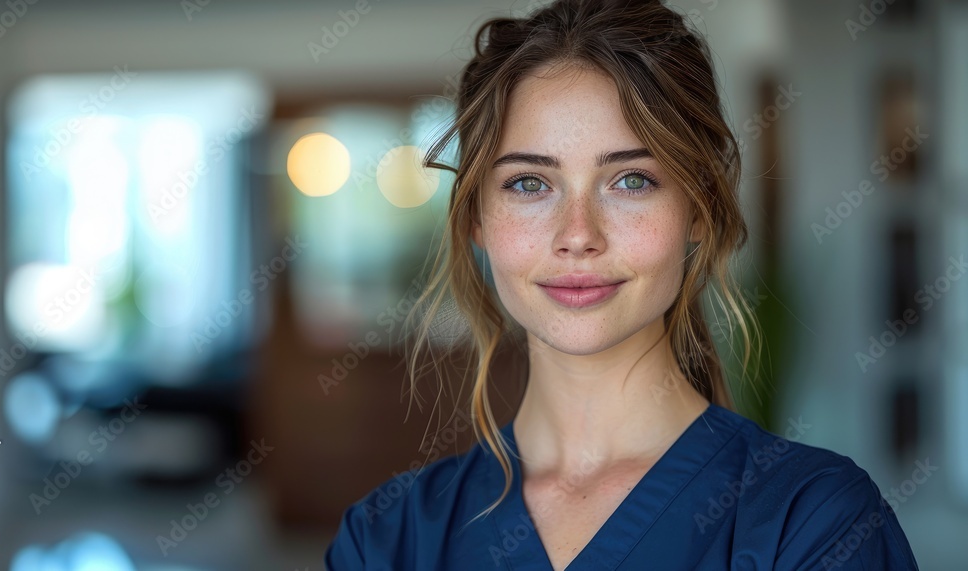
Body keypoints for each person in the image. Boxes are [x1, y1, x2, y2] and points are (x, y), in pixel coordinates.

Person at [324, 0, 921, 568]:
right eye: (530, 184)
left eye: (631, 180)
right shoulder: (389, 538)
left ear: (699, 209)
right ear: (477, 218)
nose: (578, 234)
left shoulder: (814, 523)